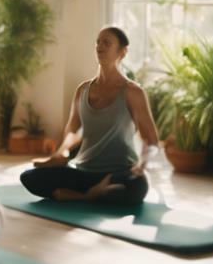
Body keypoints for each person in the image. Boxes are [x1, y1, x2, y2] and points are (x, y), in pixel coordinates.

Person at [19, 26, 160, 205]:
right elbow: (73, 130)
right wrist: (62, 152)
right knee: (29, 177)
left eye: (107, 43)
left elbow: (152, 140)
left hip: (117, 173)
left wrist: (141, 164)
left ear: (122, 52)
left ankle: (78, 195)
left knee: (138, 186)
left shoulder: (133, 92)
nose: (100, 47)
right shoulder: (83, 90)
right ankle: (92, 194)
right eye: (98, 42)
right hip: (84, 171)